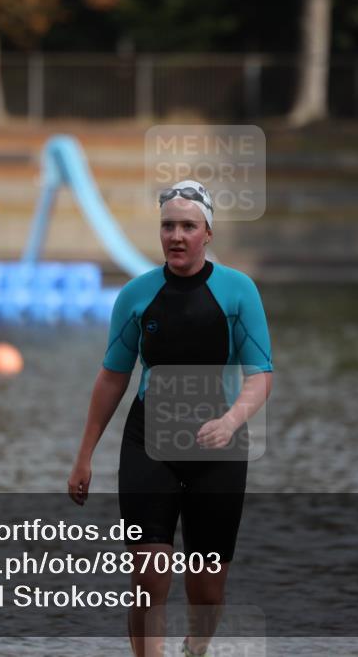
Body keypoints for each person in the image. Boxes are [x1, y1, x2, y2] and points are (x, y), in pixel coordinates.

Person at [68, 180, 273, 657]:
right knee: (148, 573)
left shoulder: (238, 291)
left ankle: (195, 649)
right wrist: (83, 457)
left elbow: (260, 374)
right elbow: (111, 378)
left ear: (208, 233)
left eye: (188, 226)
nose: (176, 235)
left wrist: (231, 421)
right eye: (167, 226)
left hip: (218, 450)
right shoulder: (137, 296)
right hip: (148, 443)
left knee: (206, 591)